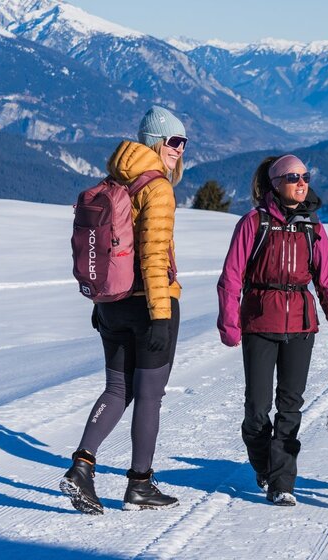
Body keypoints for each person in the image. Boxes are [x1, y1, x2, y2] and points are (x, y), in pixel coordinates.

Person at [61, 105, 188, 515]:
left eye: (183, 143)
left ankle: (82, 465)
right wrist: (161, 316)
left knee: (117, 389)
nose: (179, 151)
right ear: (155, 142)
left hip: (110, 304)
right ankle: (140, 486)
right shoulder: (158, 189)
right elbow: (152, 257)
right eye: (173, 142)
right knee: (149, 396)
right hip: (149, 303)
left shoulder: (115, 178)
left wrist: (100, 302)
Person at [216, 154, 328, 507]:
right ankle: (263, 464)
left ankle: (282, 482)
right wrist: (230, 322)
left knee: (290, 407)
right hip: (260, 323)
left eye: (306, 176)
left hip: (301, 327)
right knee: (257, 410)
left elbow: (327, 281)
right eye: (293, 177)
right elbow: (231, 278)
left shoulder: (313, 228)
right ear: (275, 183)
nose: (302, 182)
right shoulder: (253, 223)